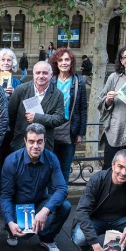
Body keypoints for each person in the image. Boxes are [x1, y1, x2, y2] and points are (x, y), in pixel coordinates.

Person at [0, 123, 72, 251]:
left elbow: (62, 188)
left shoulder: (51, 158)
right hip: (19, 206)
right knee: (24, 236)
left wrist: (45, 211)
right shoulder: (12, 161)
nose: (35, 146)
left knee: (65, 206)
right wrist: (10, 221)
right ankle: (11, 230)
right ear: (25, 141)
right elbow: (5, 196)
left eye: (39, 142)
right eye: (31, 141)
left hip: (39, 202)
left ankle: (47, 238)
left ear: (45, 141)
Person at [8, 61, 65, 152]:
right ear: (33, 74)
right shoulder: (21, 90)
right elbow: (10, 115)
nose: (41, 76)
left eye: (45, 73)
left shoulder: (58, 94)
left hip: (44, 145)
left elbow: (59, 119)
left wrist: (37, 117)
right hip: (21, 143)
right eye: (38, 73)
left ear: (51, 75)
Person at [49, 48, 88, 183]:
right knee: (50, 166)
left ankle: (61, 196)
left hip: (70, 129)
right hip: (52, 128)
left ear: (71, 62)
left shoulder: (78, 82)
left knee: (65, 167)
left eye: (67, 59)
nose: (64, 63)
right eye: (60, 60)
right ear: (56, 63)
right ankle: (49, 198)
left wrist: (80, 133)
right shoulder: (51, 81)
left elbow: (83, 108)